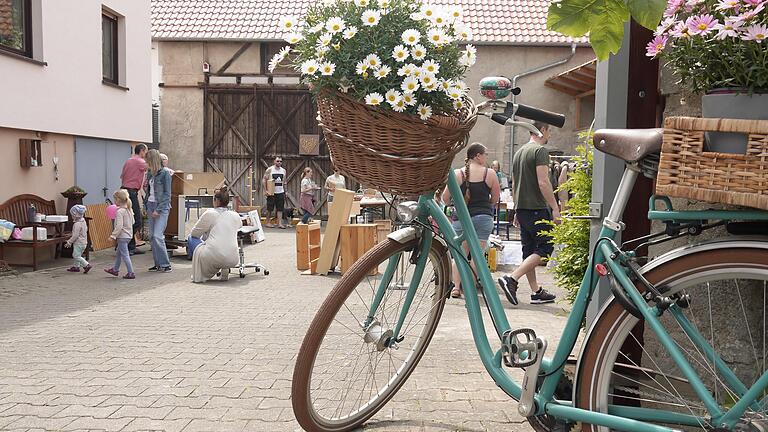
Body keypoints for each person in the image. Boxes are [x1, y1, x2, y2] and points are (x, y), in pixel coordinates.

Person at [498, 121, 560, 305]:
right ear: (542, 130)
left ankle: (536, 292)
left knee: (529, 251)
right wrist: (555, 208)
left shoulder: (519, 152)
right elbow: (543, 182)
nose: (550, 135)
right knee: (545, 249)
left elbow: (515, 183)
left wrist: (517, 209)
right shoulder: (540, 151)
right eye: (549, 131)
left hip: (523, 209)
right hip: (537, 208)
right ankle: (512, 278)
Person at [441, 143, 500, 298]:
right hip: (483, 218)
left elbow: (445, 198)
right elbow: (495, 198)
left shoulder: (457, 173)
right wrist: (485, 206)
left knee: (460, 254)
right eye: (485, 154)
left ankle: (456, 287)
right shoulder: (490, 173)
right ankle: (471, 288)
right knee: (477, 255)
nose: (486, 157)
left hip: (461, 218)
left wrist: (454, 205)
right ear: (478, 156)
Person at [190, 187, 243, 283]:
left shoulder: (210, 213)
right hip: (233, 258)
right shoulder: (235, 215)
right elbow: (239, 226)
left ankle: (199, 271)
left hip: (214, 256)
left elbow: (195, 233)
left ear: (216, 201)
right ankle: (224, 269)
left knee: (191, 238)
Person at [144, 149, 173, 272]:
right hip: (151, 205)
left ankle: (166, 264)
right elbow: (148, 191)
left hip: (161, 207)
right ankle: (158, 264)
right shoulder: (150, 173)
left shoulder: (165, 173)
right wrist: (146, 206)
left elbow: (167, 194)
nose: (146, 163)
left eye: (148, 161)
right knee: (151, 236)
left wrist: (159, 209)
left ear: (153, 160)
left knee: (157, 235)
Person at [119, 143, 147, 255]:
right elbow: (154, 168)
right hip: (131, 192)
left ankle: (130, 247)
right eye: (145, 151)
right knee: (137, 221)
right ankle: (127, 246)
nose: (146, 154)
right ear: (142, 151)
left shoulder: (128, 161)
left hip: (125, 191)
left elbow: (122, 176)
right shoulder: (140, 162)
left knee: (129, 219)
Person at [104, 189, 135, 279]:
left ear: (118, 200)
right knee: (119, 253)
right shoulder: (129, 209)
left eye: (115, 199)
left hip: (122, 237)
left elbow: (119, 226)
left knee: (125, 255)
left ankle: (131, 272)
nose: (114, 201)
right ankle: (115, 269)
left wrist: (113, 236)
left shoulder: (120, 211)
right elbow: (133, 222)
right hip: (128, 236)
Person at [65, 205, 91, 274]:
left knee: (76, 256)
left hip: (79, 243)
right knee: (78, 254)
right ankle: (76, 267)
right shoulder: (83, 221)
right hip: (84, 242)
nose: (71, 216)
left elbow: (75, 235)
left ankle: (86, 265)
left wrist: (69, 242)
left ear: (75, 215)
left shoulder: (77, 224)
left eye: (72, 215)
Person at [263, 156, 287, 229]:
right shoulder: (270, 169)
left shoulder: (283, 170)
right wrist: (265, 190)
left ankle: (279, 223)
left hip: (280, 191)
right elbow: (264, 179)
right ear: (274, 161)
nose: (279, 162)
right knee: (270, 208)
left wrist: (286, 191)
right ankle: (267, 222)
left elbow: (284, 181)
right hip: (271, 192)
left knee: (280, 208)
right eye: (277, 161)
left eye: (280, 161)